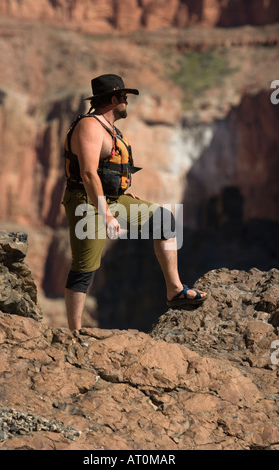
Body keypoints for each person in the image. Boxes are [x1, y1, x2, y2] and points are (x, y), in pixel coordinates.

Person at [62, 74, 207, 330]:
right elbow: (87, 173)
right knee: (85, 266)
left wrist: (120, 196)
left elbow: (109, 169)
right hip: (87, 202)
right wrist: (106, 214)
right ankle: (74, 332)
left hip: (113, 199)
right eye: (124, 97)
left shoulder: (109, 128)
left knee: (164, 220)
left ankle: (174, 290)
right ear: (113, 98)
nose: (127, 102)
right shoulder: (90, 126)